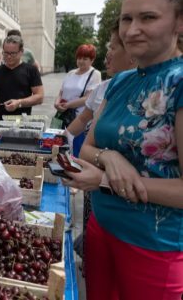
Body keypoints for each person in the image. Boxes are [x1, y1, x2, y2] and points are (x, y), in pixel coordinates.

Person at [63, 0, 183, 299]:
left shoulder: (178, 83)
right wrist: (110, 157)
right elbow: (87, 147)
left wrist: (102, 180)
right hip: (101, 229)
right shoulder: (119, 83)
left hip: (153, 245)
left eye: (148, 17)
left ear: (179, 23)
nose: (131, 30)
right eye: (126, 19)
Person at [68, 21, 137, 268]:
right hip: (102, 212)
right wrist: (64, 139)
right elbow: (85, 136)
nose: (107, 53)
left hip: (144, 235)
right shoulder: (110, 88)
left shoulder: (172, 86)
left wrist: (104, 176)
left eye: (114, 46)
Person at [0, 35, 43, 123]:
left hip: (21, 122)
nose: (8, 56)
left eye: (12, 53)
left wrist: (19, 103)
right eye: (6, 53)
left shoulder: (31, 70)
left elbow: (40, 97)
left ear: (21, 52)